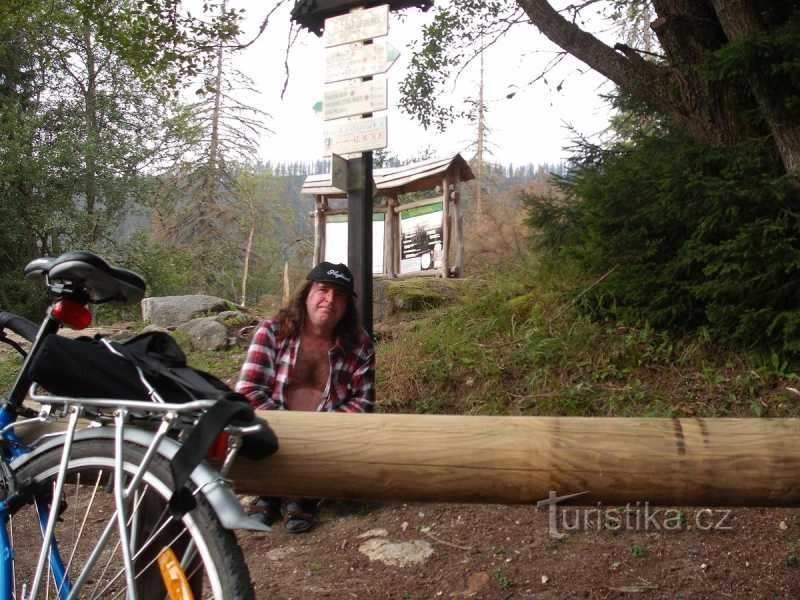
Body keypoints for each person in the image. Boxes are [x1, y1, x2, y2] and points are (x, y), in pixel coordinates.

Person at [235, 261, 375, 532]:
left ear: (347, 305)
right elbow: (248, 391)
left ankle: (297, 494)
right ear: (306, 294)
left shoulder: (360, 344)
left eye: (340, 294)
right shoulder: (273, 331)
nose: (330, 299)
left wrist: (318, 432)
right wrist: (290, 431)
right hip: (273, 435)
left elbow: (363, 402)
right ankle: (275, 493)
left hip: (326, 442)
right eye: (323, 289)